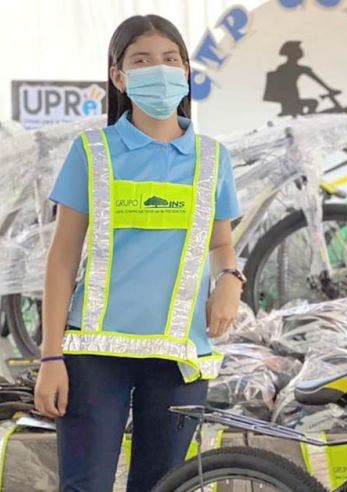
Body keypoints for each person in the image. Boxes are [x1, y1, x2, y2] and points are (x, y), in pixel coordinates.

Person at [33, 14, 243, 492]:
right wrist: (50, 358)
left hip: (179, 358)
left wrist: (230, 278)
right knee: (85, 486)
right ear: (119, 77)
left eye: (171, 59)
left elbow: (220, 241)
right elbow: (62, 260)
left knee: (162, 487)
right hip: (94, 355)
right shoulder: (93, 152)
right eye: (142, 61)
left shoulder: (214, 158)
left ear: (187, 71)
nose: (160, 71)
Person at [263, 40, 342, 116]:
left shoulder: (285, 68)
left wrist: (329, 89)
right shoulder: (295, 68)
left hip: (289, 99)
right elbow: (318, 80)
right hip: (290, 100)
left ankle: (308, 120)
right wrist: (329, 90)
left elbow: (318, 80)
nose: (301, 52)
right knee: (313, 103)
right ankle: (308, 122)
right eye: (298, 50)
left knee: (313, 104)